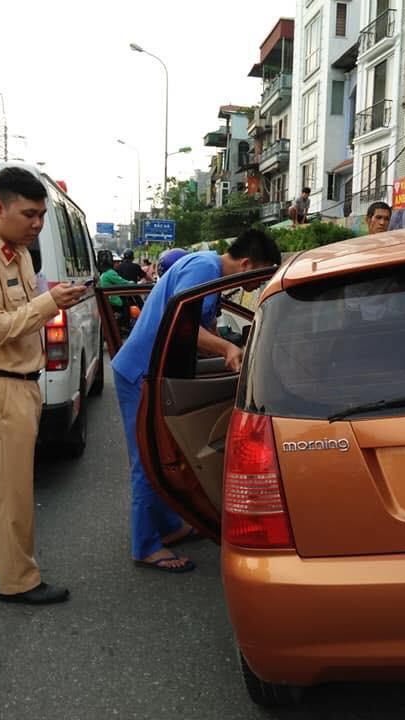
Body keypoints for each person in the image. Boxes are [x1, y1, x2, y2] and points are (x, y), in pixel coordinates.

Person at [0, 167, 86, 605]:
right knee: (13, 491)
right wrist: (49, 304)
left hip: (18, 384)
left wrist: (48, 301)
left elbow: (19, 316)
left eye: (42, 215)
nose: (37, 224)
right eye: (29, 214)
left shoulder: (18, 254)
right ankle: (19, 581)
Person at [112, 229, 282, 573]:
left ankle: (170, 526)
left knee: (167, 450)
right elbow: (178, 325)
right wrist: (227, 349)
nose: (256, 286)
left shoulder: (210, 273)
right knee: (148, 457)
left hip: (156, 370)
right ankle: (145, 545)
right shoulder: (204, 268)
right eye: (258, 277)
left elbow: (204, 329)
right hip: (141, 372)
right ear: (247, 264)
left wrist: (231, 352)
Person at [98, 249, 134, 332]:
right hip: (113, 300)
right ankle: (124, 326)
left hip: (107, 299)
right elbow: (123, 283)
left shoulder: (104, 273)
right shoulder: (110, 273)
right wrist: (133, 283)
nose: (118, 264)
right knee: (125, 304)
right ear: (111, 263)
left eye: (119, 262)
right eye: (116, 262)